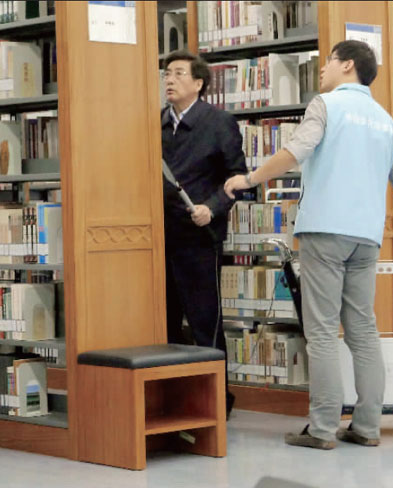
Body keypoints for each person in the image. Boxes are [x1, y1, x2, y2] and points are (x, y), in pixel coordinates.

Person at [224, 40, 393, 449]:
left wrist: (249, 179)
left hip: (325, 231)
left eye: (327, 61)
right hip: (367, 237)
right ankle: (367, 426)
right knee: (363, 329)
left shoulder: (326, 105)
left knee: (322, 332)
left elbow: (295, 152)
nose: (322, 69)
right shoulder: (385, 121)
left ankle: (323, 428)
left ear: (345, 65)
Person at [161, 51, 247, 412]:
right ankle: (173, 398)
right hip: (159, 238)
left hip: (200, 239)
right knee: (163, 323)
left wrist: (211, 208)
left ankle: (215, 402)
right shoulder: (155, 124)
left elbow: (238, 180)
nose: (169, 80)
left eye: (179, 73)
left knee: (203, 322)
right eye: (166, 74)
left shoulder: (219, 123)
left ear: (198, 83)